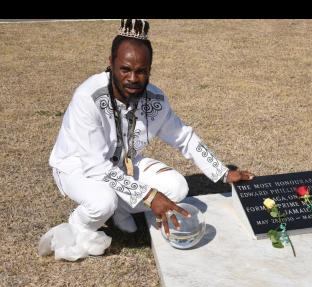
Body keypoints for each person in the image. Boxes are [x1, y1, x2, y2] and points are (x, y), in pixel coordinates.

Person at [41, 19, 254, 261]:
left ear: (149, 70)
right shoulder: (88, 97)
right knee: (102, 202)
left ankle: (120, 208)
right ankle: (79, 223)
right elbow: (96, 166)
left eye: (141, 71)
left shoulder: (155, 99)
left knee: (178, 187)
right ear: (110, 63)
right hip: (76, 167)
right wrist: (149, 196)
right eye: (125, 69)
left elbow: (183, 137)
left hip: (122, 164)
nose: (133, 78)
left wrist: (223, 173)